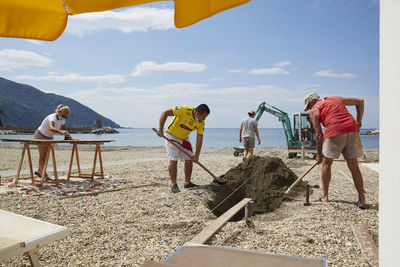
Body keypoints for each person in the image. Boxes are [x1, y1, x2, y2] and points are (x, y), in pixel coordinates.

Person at [304, 93, 366, 208]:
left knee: (327, 163)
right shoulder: (335, 99)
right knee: (353, 165)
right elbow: (360, 101)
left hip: (335, 130)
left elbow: (318, 135)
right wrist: (359, 121)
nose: (309, 109)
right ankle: (362, 199)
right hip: (352, 129)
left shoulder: (314, 110)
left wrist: (319, 154)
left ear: (312, 102)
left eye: (308, 106)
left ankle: (325, 197)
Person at [157, 104, 210, 193]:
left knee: (189, 158)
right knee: (173, 160)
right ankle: (174, 184)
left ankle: (187, 183)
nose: (204, 119)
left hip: (184, 138)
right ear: (197, 113)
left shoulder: (201, 122)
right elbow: (165, 113)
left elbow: (199, 138)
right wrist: (160, 129)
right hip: (171, 135)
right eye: (203, 117)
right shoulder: (184, 110)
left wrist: (197, 155)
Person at [34, 104, 71, 180]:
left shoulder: (62, 119)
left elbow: (64, 128)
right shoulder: (52, 117)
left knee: (46, 156)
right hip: (41, 135)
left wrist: (67, 136)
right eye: (64, 116)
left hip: (49, 137)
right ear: (59, 112)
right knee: (43, 156)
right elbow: (51, 128)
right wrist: (61, 132)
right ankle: (44, 175)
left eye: (66, 117)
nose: (64, 118)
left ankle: (39, 171)